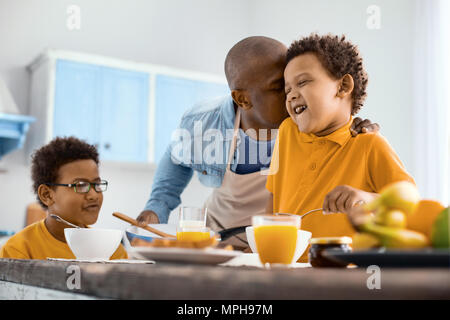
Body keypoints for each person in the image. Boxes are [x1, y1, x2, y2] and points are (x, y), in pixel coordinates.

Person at [137, 36, 379, 249]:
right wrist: (156, 209)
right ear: (243, 99)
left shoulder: (307, 123)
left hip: (276, 240)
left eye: (295, 82)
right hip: (219, 238)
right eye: (280, 87)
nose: (293, 95)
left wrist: (350, 126)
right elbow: (176, 158)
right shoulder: (203, 123)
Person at [265, 34, 415, 259]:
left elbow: (411, 204)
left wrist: (364, 199)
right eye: (287, 90)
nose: (292, 95)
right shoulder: (286, 132)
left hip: (339, 273)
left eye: (303, 82)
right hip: (286, 268)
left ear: (343, 86)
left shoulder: (369, 144)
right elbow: (273, 202)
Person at [0, 137, 128, 260]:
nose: (94, 195)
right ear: (47, 195)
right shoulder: (18, 251)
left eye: (97, 184)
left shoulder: (111, 250)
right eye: (81, 185)